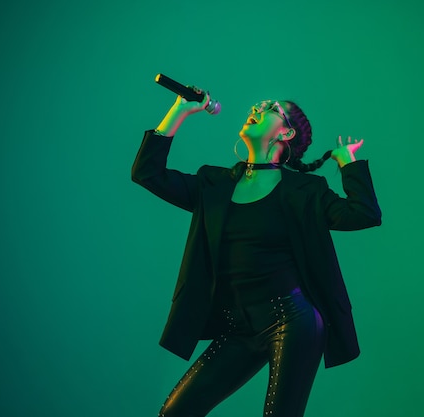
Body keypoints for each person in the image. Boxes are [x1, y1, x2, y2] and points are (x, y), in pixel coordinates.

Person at [131, 89, 382, 417]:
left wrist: (347, 162)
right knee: (175, 413)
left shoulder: (305, 191)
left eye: (270, 108)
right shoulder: (214, 185)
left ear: (285, 133)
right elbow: (147, 174)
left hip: (292, 320)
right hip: (239, 328)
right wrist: (179, 111)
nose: (257, 108)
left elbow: (364, 214)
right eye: (257, 106)